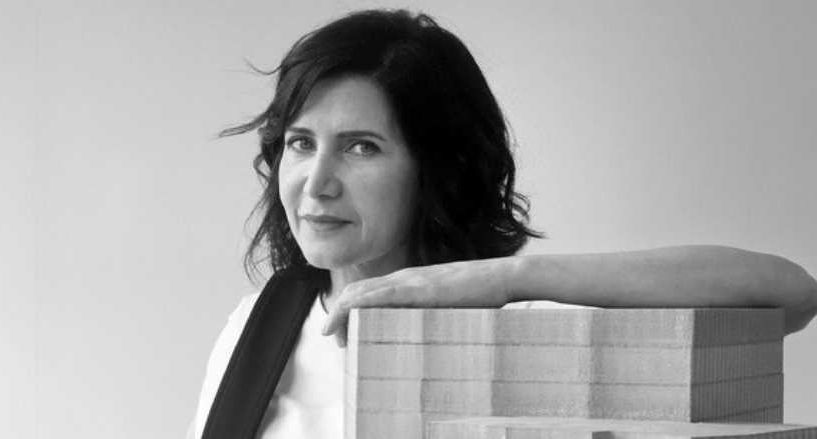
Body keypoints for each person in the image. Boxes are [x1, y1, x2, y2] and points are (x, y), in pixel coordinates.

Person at [188, 9, 817, 439]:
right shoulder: (258, 323)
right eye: (301, 143)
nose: (316, 182)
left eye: (361, 147)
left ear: (439, 169)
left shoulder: (518, 330)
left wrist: (506, 281)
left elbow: (791, 292)